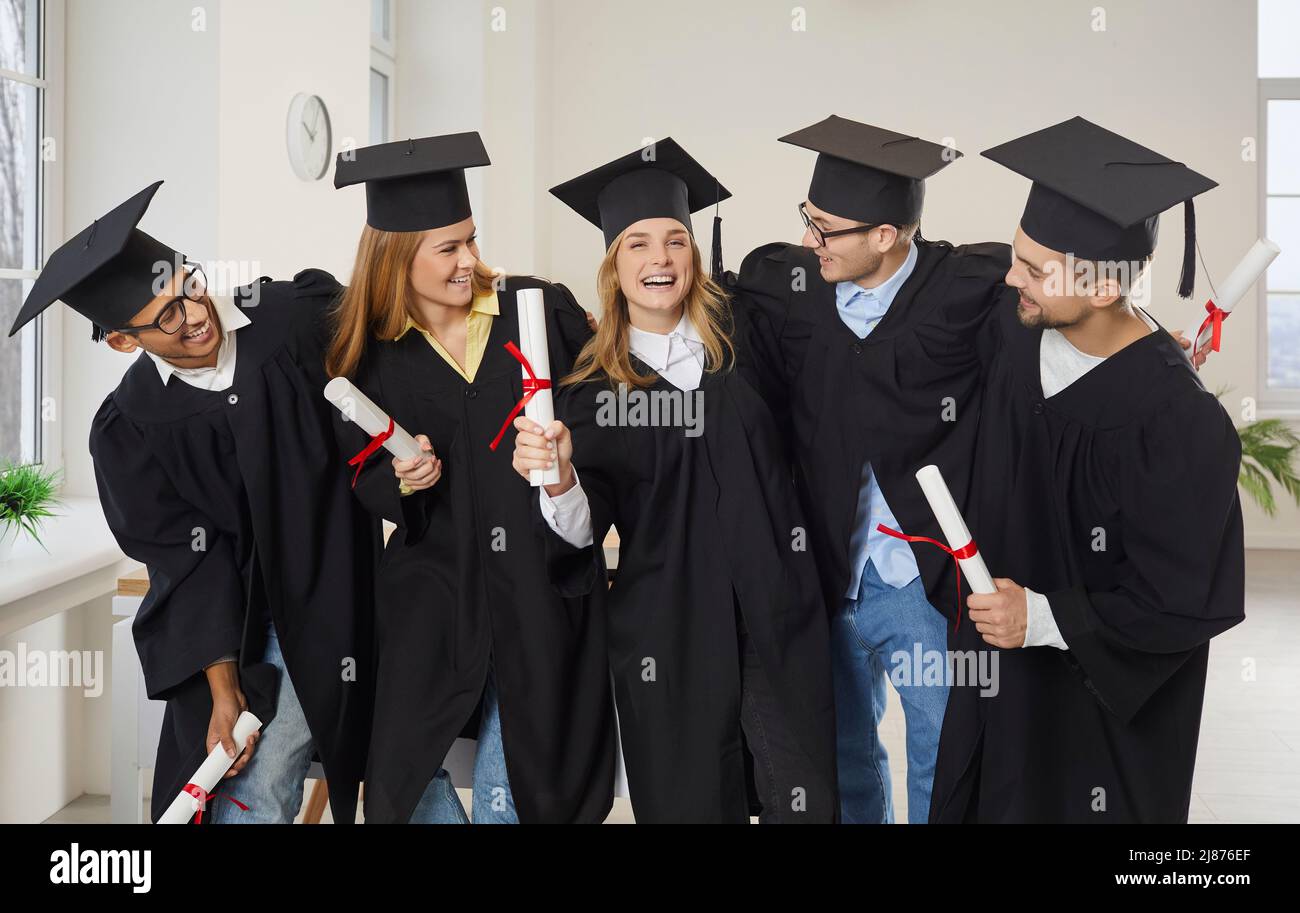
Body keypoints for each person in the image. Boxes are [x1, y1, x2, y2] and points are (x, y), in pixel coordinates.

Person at [8, 181, 376, 823]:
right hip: (233, 622)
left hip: (339, 591)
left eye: (191, 285)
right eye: (167, 315)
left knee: (305, 776)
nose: (197, 314)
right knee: (230, 782)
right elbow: (189, 563)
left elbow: (398, 337)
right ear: (125, 341)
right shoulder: (132, 427)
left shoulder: (289, 319)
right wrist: (223, 689)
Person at [512, 138, 838, 823]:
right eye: (637, 244)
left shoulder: (750, 337)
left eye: (674, 240)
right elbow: (579, 529)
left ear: (694, 251)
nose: (660, 259)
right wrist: (560, 477)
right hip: (669, 632)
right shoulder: (592, 392)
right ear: (612, 263)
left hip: (776, 615)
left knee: (802, 803)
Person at [929, 116, 1245, 823]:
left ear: (1104, 288)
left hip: (1097, 721)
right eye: (1018, 254)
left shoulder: (1181, 423)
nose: (1011, 277)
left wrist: (1039, 616)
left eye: (1035, 267)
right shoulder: (1018, 329)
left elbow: (1181, 603)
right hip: (992, 682)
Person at [330, 133, 615, 824]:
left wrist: (561, 459)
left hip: (540, 591)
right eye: (449, 248)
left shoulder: (537, 310)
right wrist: (402, 477)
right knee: (400, 781)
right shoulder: (372, 354)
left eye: (471, 240)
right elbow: (358, 470)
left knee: (514, 792)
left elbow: (601, 433)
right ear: (398, 258)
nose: (470, 262)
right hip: (433, 598)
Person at [732, 116, 1011, 823]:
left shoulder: (965, 292)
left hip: (922, 579)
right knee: (841, 754)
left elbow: (1057, 338)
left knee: (942, 752)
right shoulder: (792, 289)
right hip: (824, 572)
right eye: (807, 219)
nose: (807, 241)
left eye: (825, 229)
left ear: (885, 235)